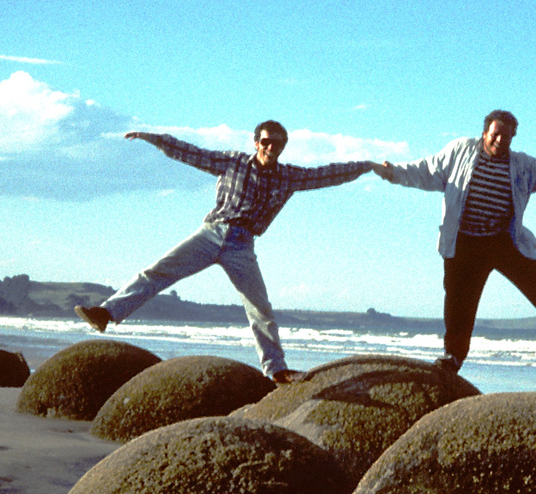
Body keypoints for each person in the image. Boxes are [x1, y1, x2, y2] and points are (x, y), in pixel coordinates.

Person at [75, 121, 372, 383]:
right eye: (265, 141)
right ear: (256, 142)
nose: (270, 146)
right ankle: (106, 313)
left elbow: (328, 174)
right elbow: (191, 153)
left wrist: (366, 166)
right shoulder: (233, 162)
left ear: (283, 146)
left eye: (277, 142)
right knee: (157, 272)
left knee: (260, 307)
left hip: (242, 246)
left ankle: (277, 370)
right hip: (211, 233)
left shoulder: (288, 177)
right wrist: (154, 138)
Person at [372, 110, 536, 372]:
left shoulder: (523, 165)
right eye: (495, 134)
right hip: (464, 242)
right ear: (484, 133)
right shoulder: (460, 150)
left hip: (502, 242)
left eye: (507, 136)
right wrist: (394, 173)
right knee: (459, 303)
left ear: (513, 137)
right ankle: (452, 357)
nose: (500, 140)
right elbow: (426, 170)